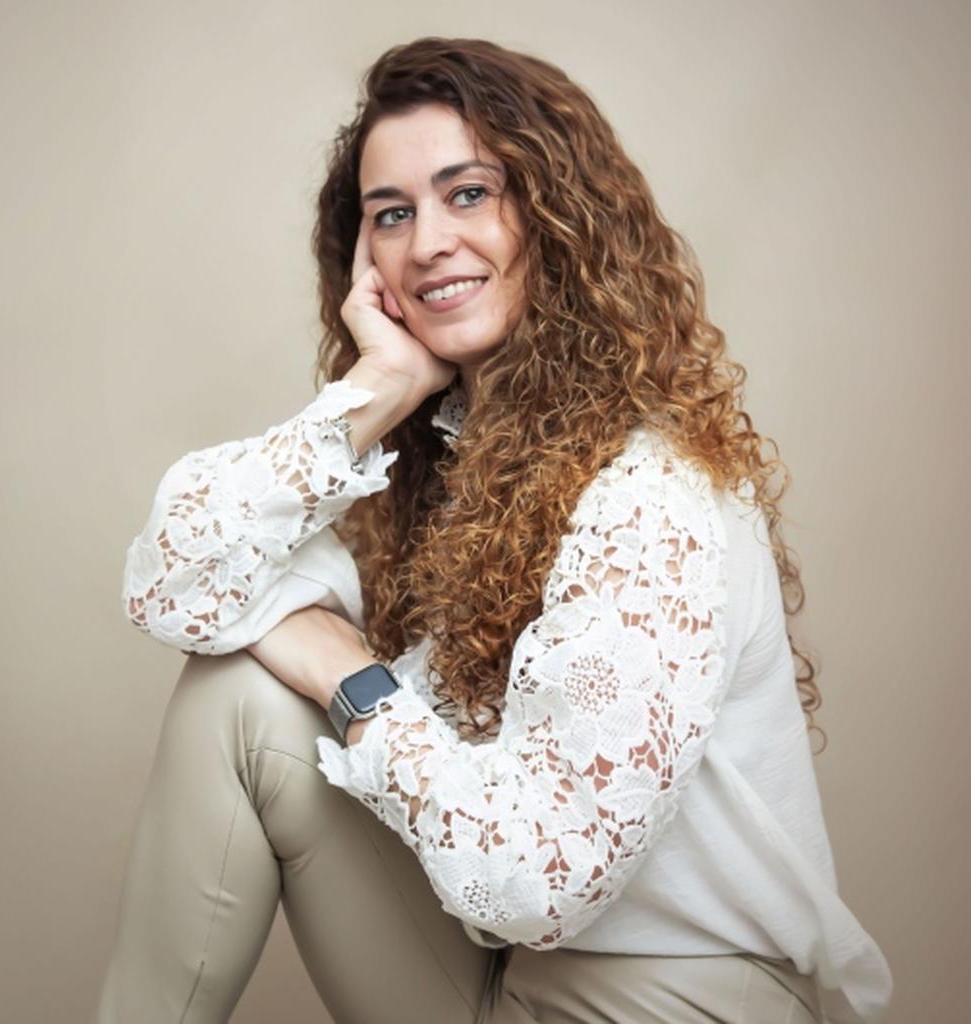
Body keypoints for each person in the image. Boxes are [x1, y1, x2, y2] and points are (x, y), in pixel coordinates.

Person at [95, 36, 893, 1024]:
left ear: (555, 217)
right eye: (392, 214)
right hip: (503, 981)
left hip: (679, 997)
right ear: (365, 260)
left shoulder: (652, 493)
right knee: (237, 701)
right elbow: (169, 582)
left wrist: (352, 677)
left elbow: (536, 886)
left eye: (467, 193)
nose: (428, 241)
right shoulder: (430, 477)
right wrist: (379, 387)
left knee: (281, 689)